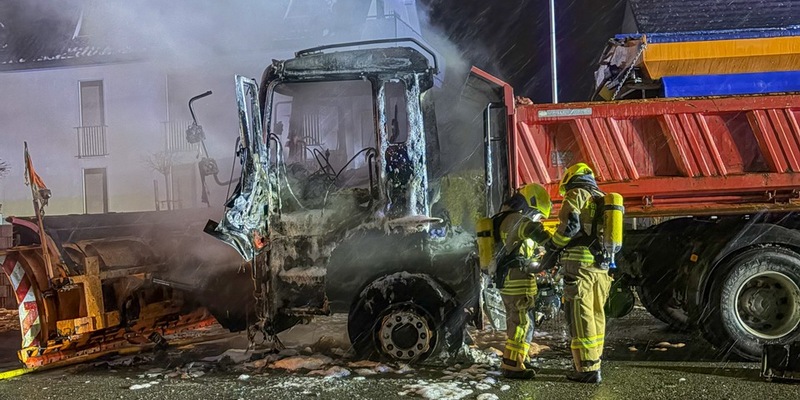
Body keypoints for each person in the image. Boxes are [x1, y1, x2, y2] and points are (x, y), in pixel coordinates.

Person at [546, 163, 612, 383]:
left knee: (580, 315)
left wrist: (553, 247)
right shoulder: (602, 197)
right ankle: (594, 362)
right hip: (601, 265)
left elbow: (570, 225)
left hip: (579, 265)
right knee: (596, 314)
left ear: (570, 179)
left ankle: (585, 369)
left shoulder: (577, 193)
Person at [491, 183, 552, 379]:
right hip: (518, 280)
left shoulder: (502, 218)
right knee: (521, 323)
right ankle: (513, 365)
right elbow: (533, 230)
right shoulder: (517, 219)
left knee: (516, 321)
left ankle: (517, 359)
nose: (536, 218)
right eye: (537, 214)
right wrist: (555, 244)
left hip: (508, 280)